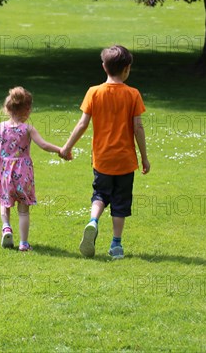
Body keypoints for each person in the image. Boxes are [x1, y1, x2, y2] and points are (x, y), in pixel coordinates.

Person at [60, 45, 150, 259]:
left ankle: (93, 220)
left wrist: (67, 147)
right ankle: (116, 245)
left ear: (104, 67)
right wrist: (144, 157)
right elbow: (138, 128)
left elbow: (82, 124)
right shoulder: (133, 94)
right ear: (127, 69)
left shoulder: (94, 92)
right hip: (126, 161)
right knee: (120, 202)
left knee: (99, 194)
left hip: (102, 159)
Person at [0, 86, 63, 251]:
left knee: (4, 203)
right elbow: (44, 145)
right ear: (27, 110)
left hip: (4, 171)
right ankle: (24, 244)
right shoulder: (28, 129)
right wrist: (60, 150)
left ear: (7, 108)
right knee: (23, 210)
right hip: (23, 172)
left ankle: (6, 227)